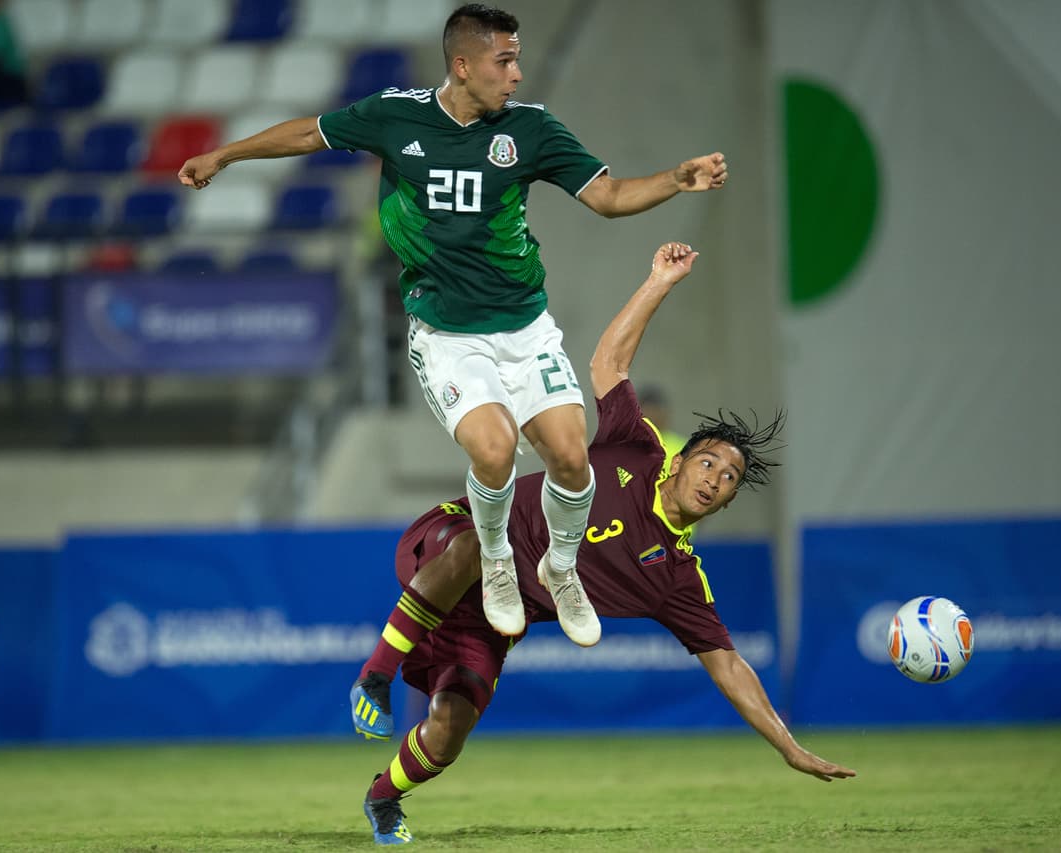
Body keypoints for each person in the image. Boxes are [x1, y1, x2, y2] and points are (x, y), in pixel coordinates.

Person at [177, 4, 728, 650]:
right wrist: (227, 154)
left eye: (519, 58)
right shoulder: (396, 115)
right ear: (463, 66)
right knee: (493, 450)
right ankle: (497, 558)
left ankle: (560, 564)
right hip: (447, 333)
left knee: (572, 458)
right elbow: (309, 135)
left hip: (526, 329)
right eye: (504, 61)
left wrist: (675, 179)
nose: (517, 74)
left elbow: (606, 197)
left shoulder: (531, 130)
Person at [348, 242, 856, 845]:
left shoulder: (677, 577)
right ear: (678, 461)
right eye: (709, 462)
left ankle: (383, 797)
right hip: (457, 535)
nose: (715, 479)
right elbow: (608, 364)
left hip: (494, 617)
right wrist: (659, 282)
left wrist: (788, 747)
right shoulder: (638, 447)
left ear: (725, 501)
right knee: (470, 552)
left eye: (728, 480)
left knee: (449, 728)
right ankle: (374, 677)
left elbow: (729, 665)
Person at [637, 383, 686, 474]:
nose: (652, 416)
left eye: (656, 411)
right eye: (647, 412)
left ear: (665, 414)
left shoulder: (683, 448)